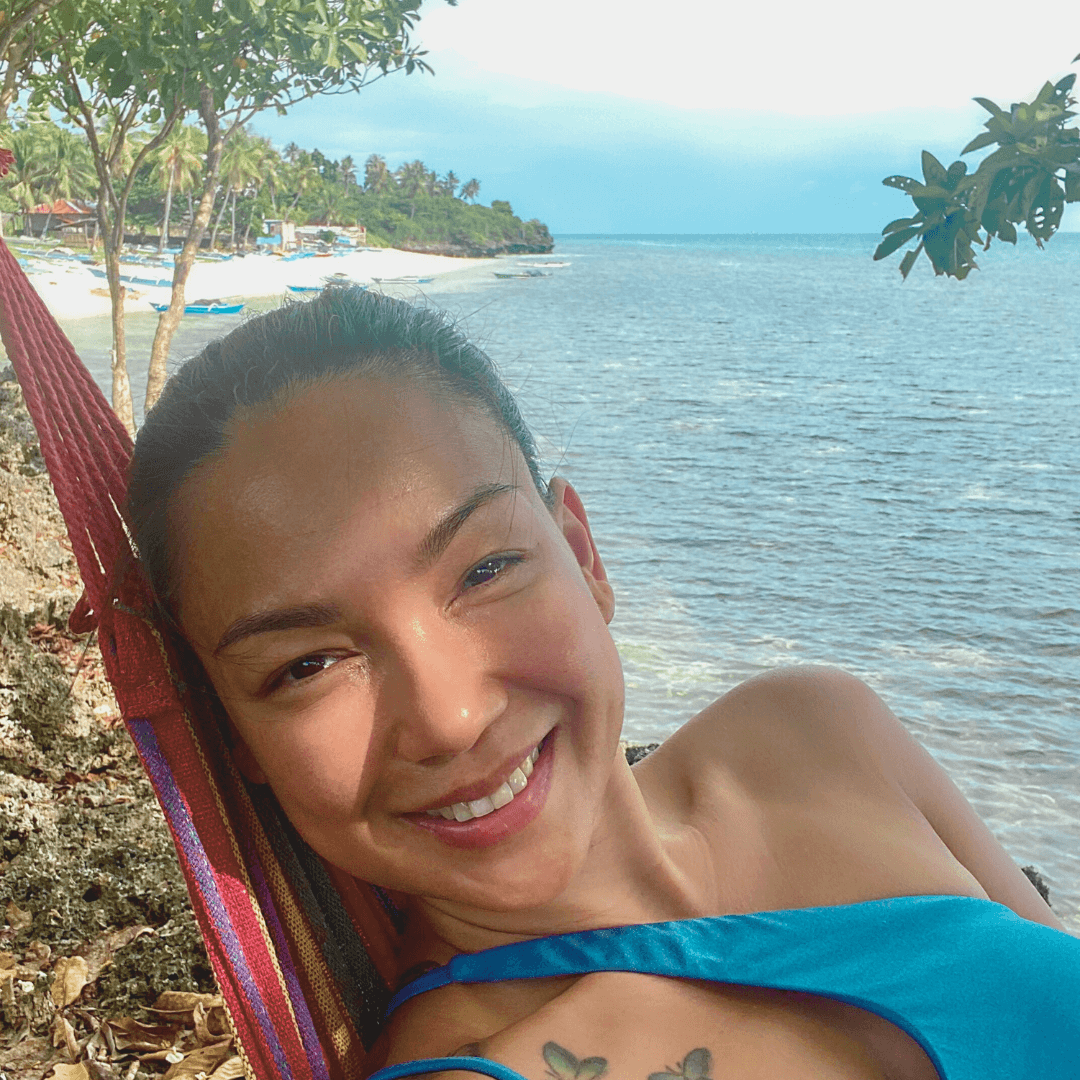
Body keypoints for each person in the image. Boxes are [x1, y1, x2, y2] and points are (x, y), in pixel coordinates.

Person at [126, 285, 1079, 1080]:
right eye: (307, 664)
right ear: (238, 739)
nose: (452, 719)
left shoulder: (820, 728)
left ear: (583, 554)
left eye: (484, 570)